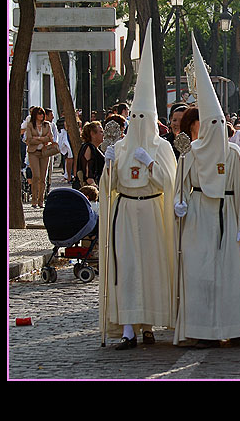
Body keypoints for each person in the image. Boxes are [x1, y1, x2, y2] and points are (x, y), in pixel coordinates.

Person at [172, 34, 240, 348]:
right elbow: (179, 191)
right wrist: (180, 205)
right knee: (198, 275)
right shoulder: (189, 155)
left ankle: (234, 327)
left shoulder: (233, 155)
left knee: (229, 277)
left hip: (225, 219)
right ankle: (201, 330)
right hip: (197, 219)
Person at [98, 20, 177, 351]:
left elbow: (169, 182)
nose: (140, 125)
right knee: (128, 270)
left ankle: (150, 325)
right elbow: (110, 186)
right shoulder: (121, 147)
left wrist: (150, 163)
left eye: (145, 118)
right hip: (126, 210)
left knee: (151, 269)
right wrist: (109, 164)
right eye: (136, 119)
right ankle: (129, 327)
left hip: (152, 211)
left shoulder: (162, 147)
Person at [25, 106, 55, 208]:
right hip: (33, 152)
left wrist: (37, 138)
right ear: (35, 115)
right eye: (39, 114)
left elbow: (50, 138)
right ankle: (34, 199)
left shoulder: (47, 125)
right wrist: (43, 139)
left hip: (44, 153)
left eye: (42, 114)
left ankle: (40, 200)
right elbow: (29, 140)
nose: (41, 116)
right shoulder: (30, 125)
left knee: (43, 177)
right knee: (36, 176)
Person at [77, 121, 105, 187]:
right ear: (92, 134)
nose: (103, 134)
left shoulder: (94, 148)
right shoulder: (88, 147)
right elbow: (88, 171)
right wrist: (94, 186)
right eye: (101, 132)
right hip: (89, 188)